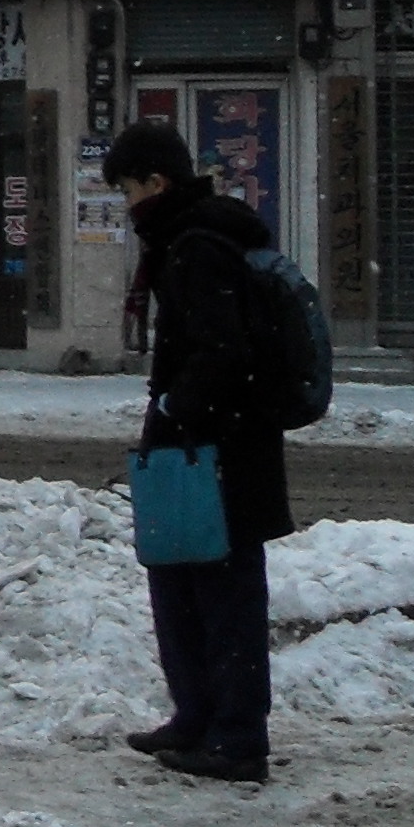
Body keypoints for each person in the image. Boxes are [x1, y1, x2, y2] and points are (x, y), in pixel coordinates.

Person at [106, 122, 291, 784]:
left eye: (128, 189)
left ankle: (237, 739)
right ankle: (196, 717)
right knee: (181, 584)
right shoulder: (188, 241)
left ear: (156, 183)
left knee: (223, 597)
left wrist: (174, 409)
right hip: (203, 452)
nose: (127, 206)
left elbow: (224, 354)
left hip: (218, 455)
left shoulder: (199, 246)